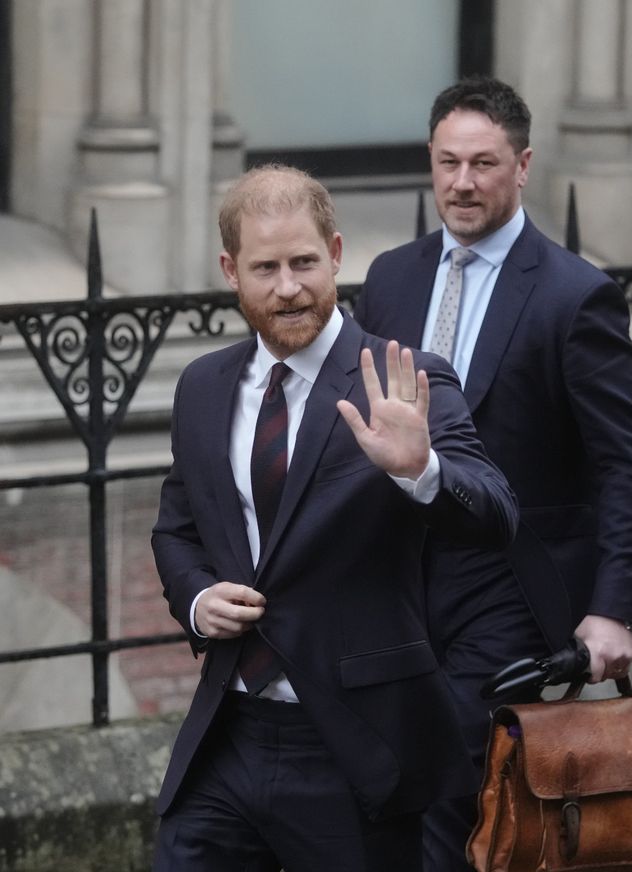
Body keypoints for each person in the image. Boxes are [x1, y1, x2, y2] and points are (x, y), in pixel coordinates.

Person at [150, 164, 519, 871]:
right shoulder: (202, 386)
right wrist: (197, 598)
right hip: (227, 734)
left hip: (354, 744)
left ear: (337, 255)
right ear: (231, 270)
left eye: (304, 262)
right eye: (266, 268)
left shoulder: (407, 377)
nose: (288, 287)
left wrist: (420, 470)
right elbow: (178, 529)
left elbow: (496, 513)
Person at [353, 75, 632, 870]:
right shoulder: (390, 276)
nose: (462, 183)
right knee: (393, 785)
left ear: (522, 166)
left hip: (510, 590)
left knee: (459, 786)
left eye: (484, 164)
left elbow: (626, 464)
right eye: (448, 162)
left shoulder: (575, 296)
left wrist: (615, 608)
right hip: (398, 582)